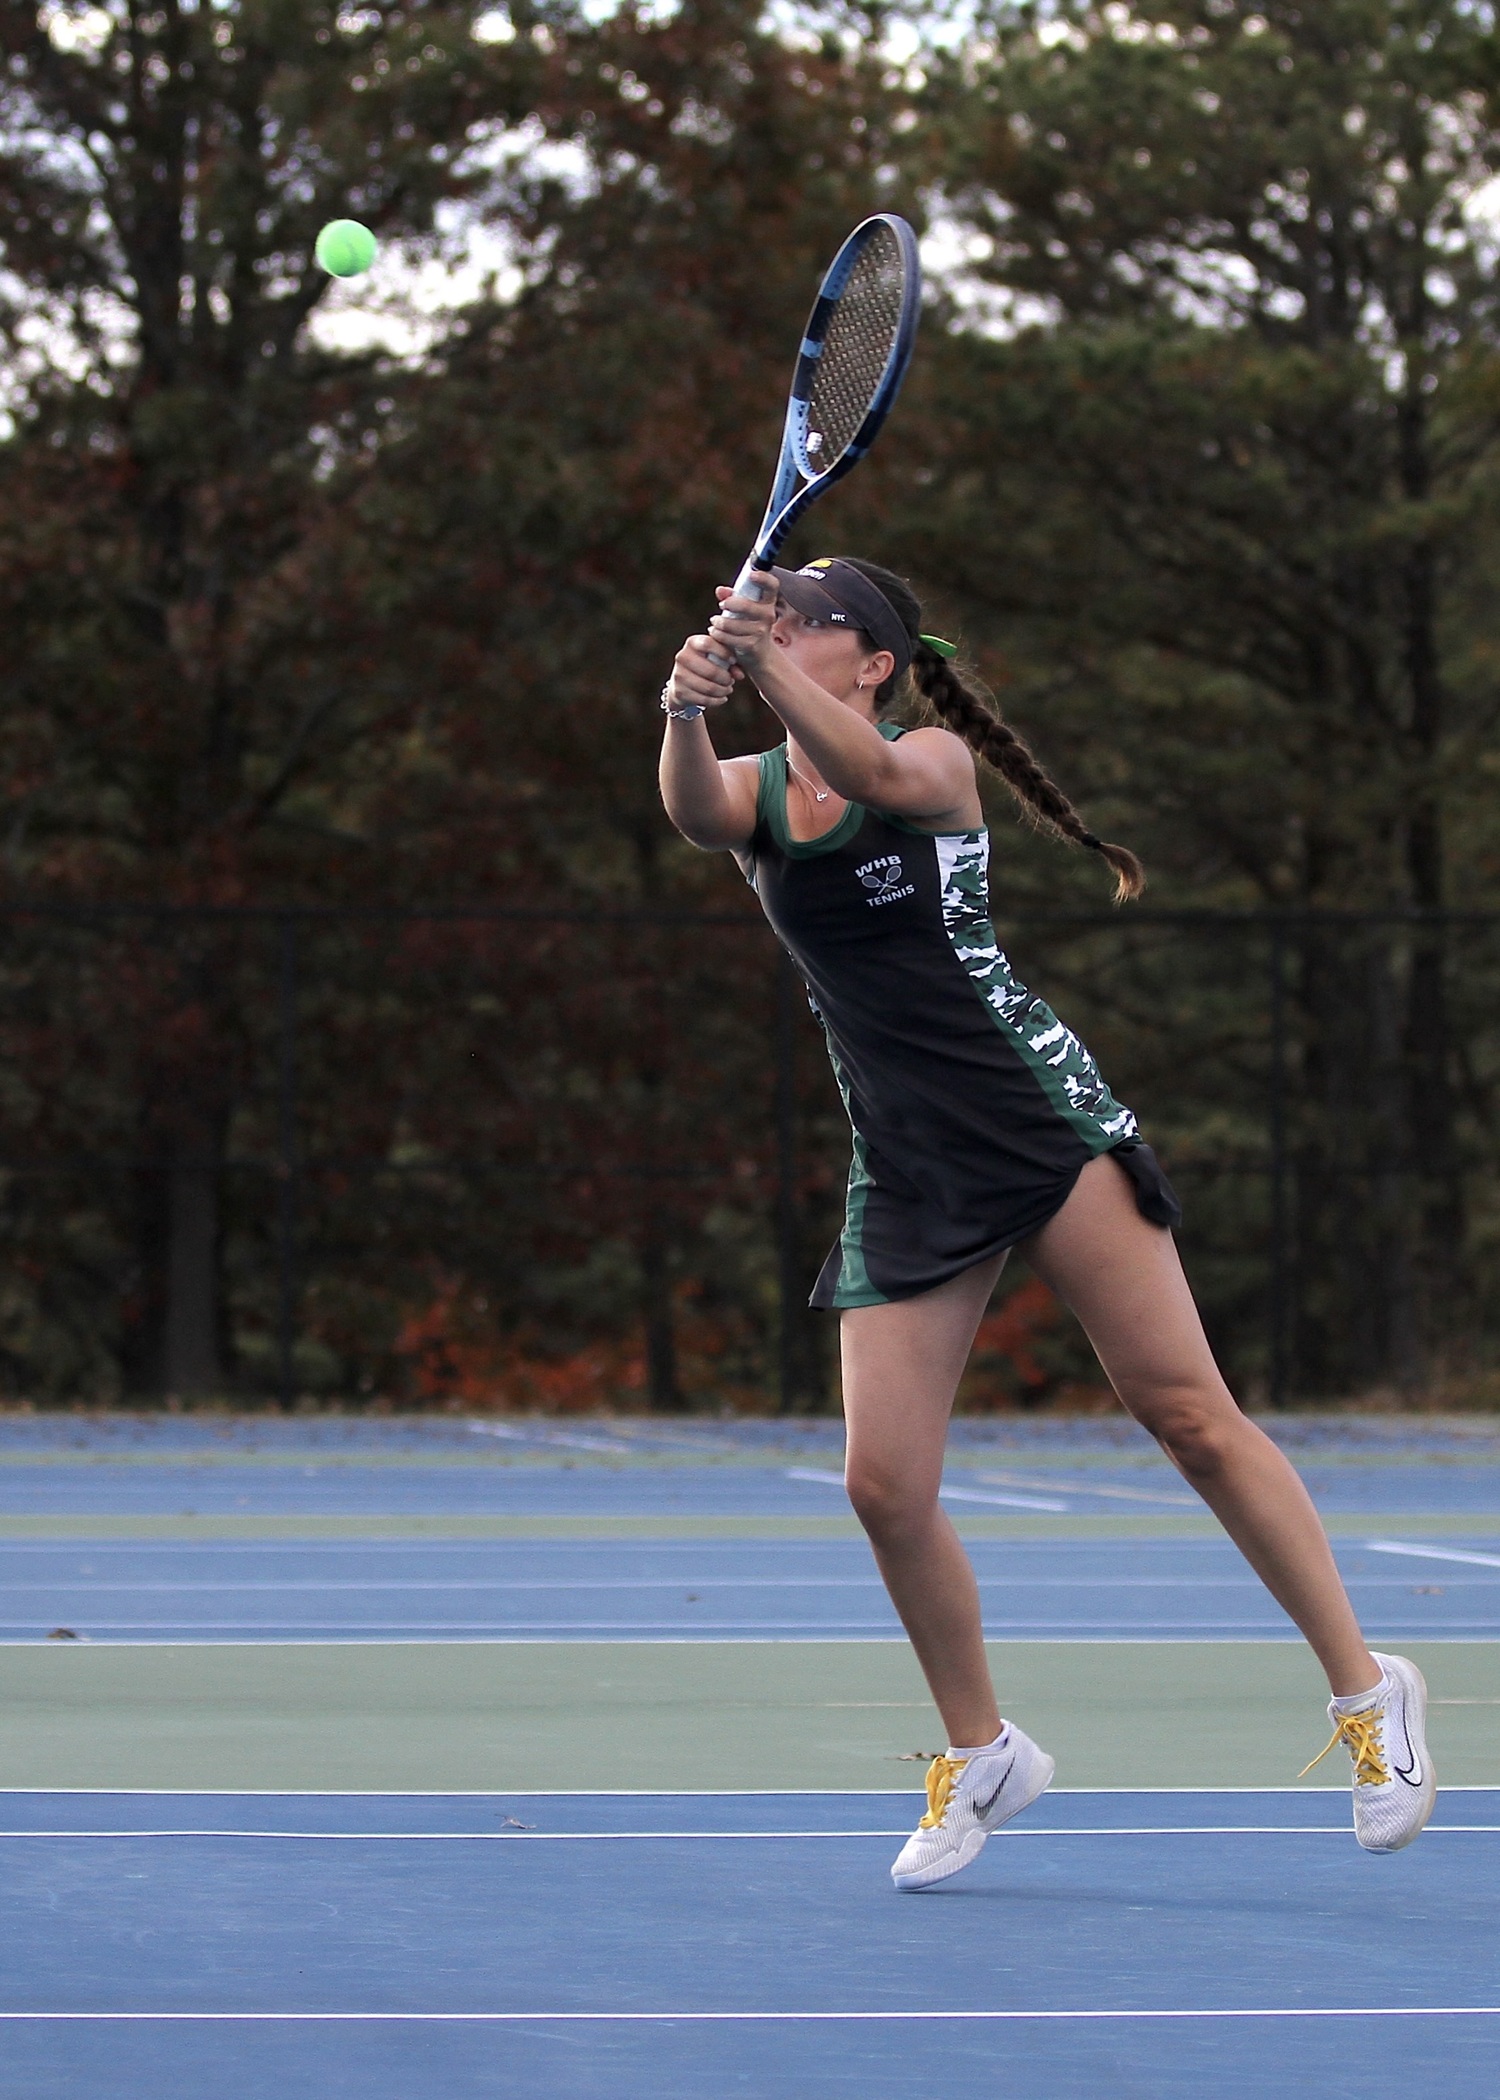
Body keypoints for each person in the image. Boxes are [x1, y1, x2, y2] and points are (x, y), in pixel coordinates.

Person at [657, 553, 1434, 1891]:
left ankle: (1370, 1697)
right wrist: (683, 706)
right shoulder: (770, 790)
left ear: (873, 661)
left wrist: (756, 662)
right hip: (906, 1165)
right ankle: (988, 1753)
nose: (775, 632)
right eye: (767, 620)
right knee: (882, 1487)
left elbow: (884, 774)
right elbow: (695, 812)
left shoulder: (934, 762)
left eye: (800, 622)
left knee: (1187, 1413)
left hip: (1036, 1121)